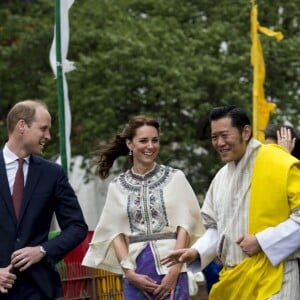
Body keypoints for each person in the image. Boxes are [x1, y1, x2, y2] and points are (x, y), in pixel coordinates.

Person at [161, 105, 300, 299]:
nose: (219, 143)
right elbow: (216, 228)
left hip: (276, 279)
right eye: (214, 137)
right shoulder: (221, 177)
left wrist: (262, 241)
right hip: (235, 280)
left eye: (225, 135)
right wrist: (197, 251)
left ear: (245, 132)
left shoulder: (278, 162)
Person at [82, 115, 205, 299]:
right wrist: (129, 273)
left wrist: (175, 270)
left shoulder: (175, 177)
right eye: (143, 140)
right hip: (136, 272)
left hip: (172, 269)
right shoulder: (117, 185)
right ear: (130, 144)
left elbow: (185, 226)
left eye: (155, 140)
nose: (151, 146)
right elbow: (115, 233)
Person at [0, 100, 88, 299]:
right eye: (43, 129)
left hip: (38, 288)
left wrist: (42, 250)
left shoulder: (53, 174)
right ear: (22, 126)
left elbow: (77, 226)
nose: (48, 136)